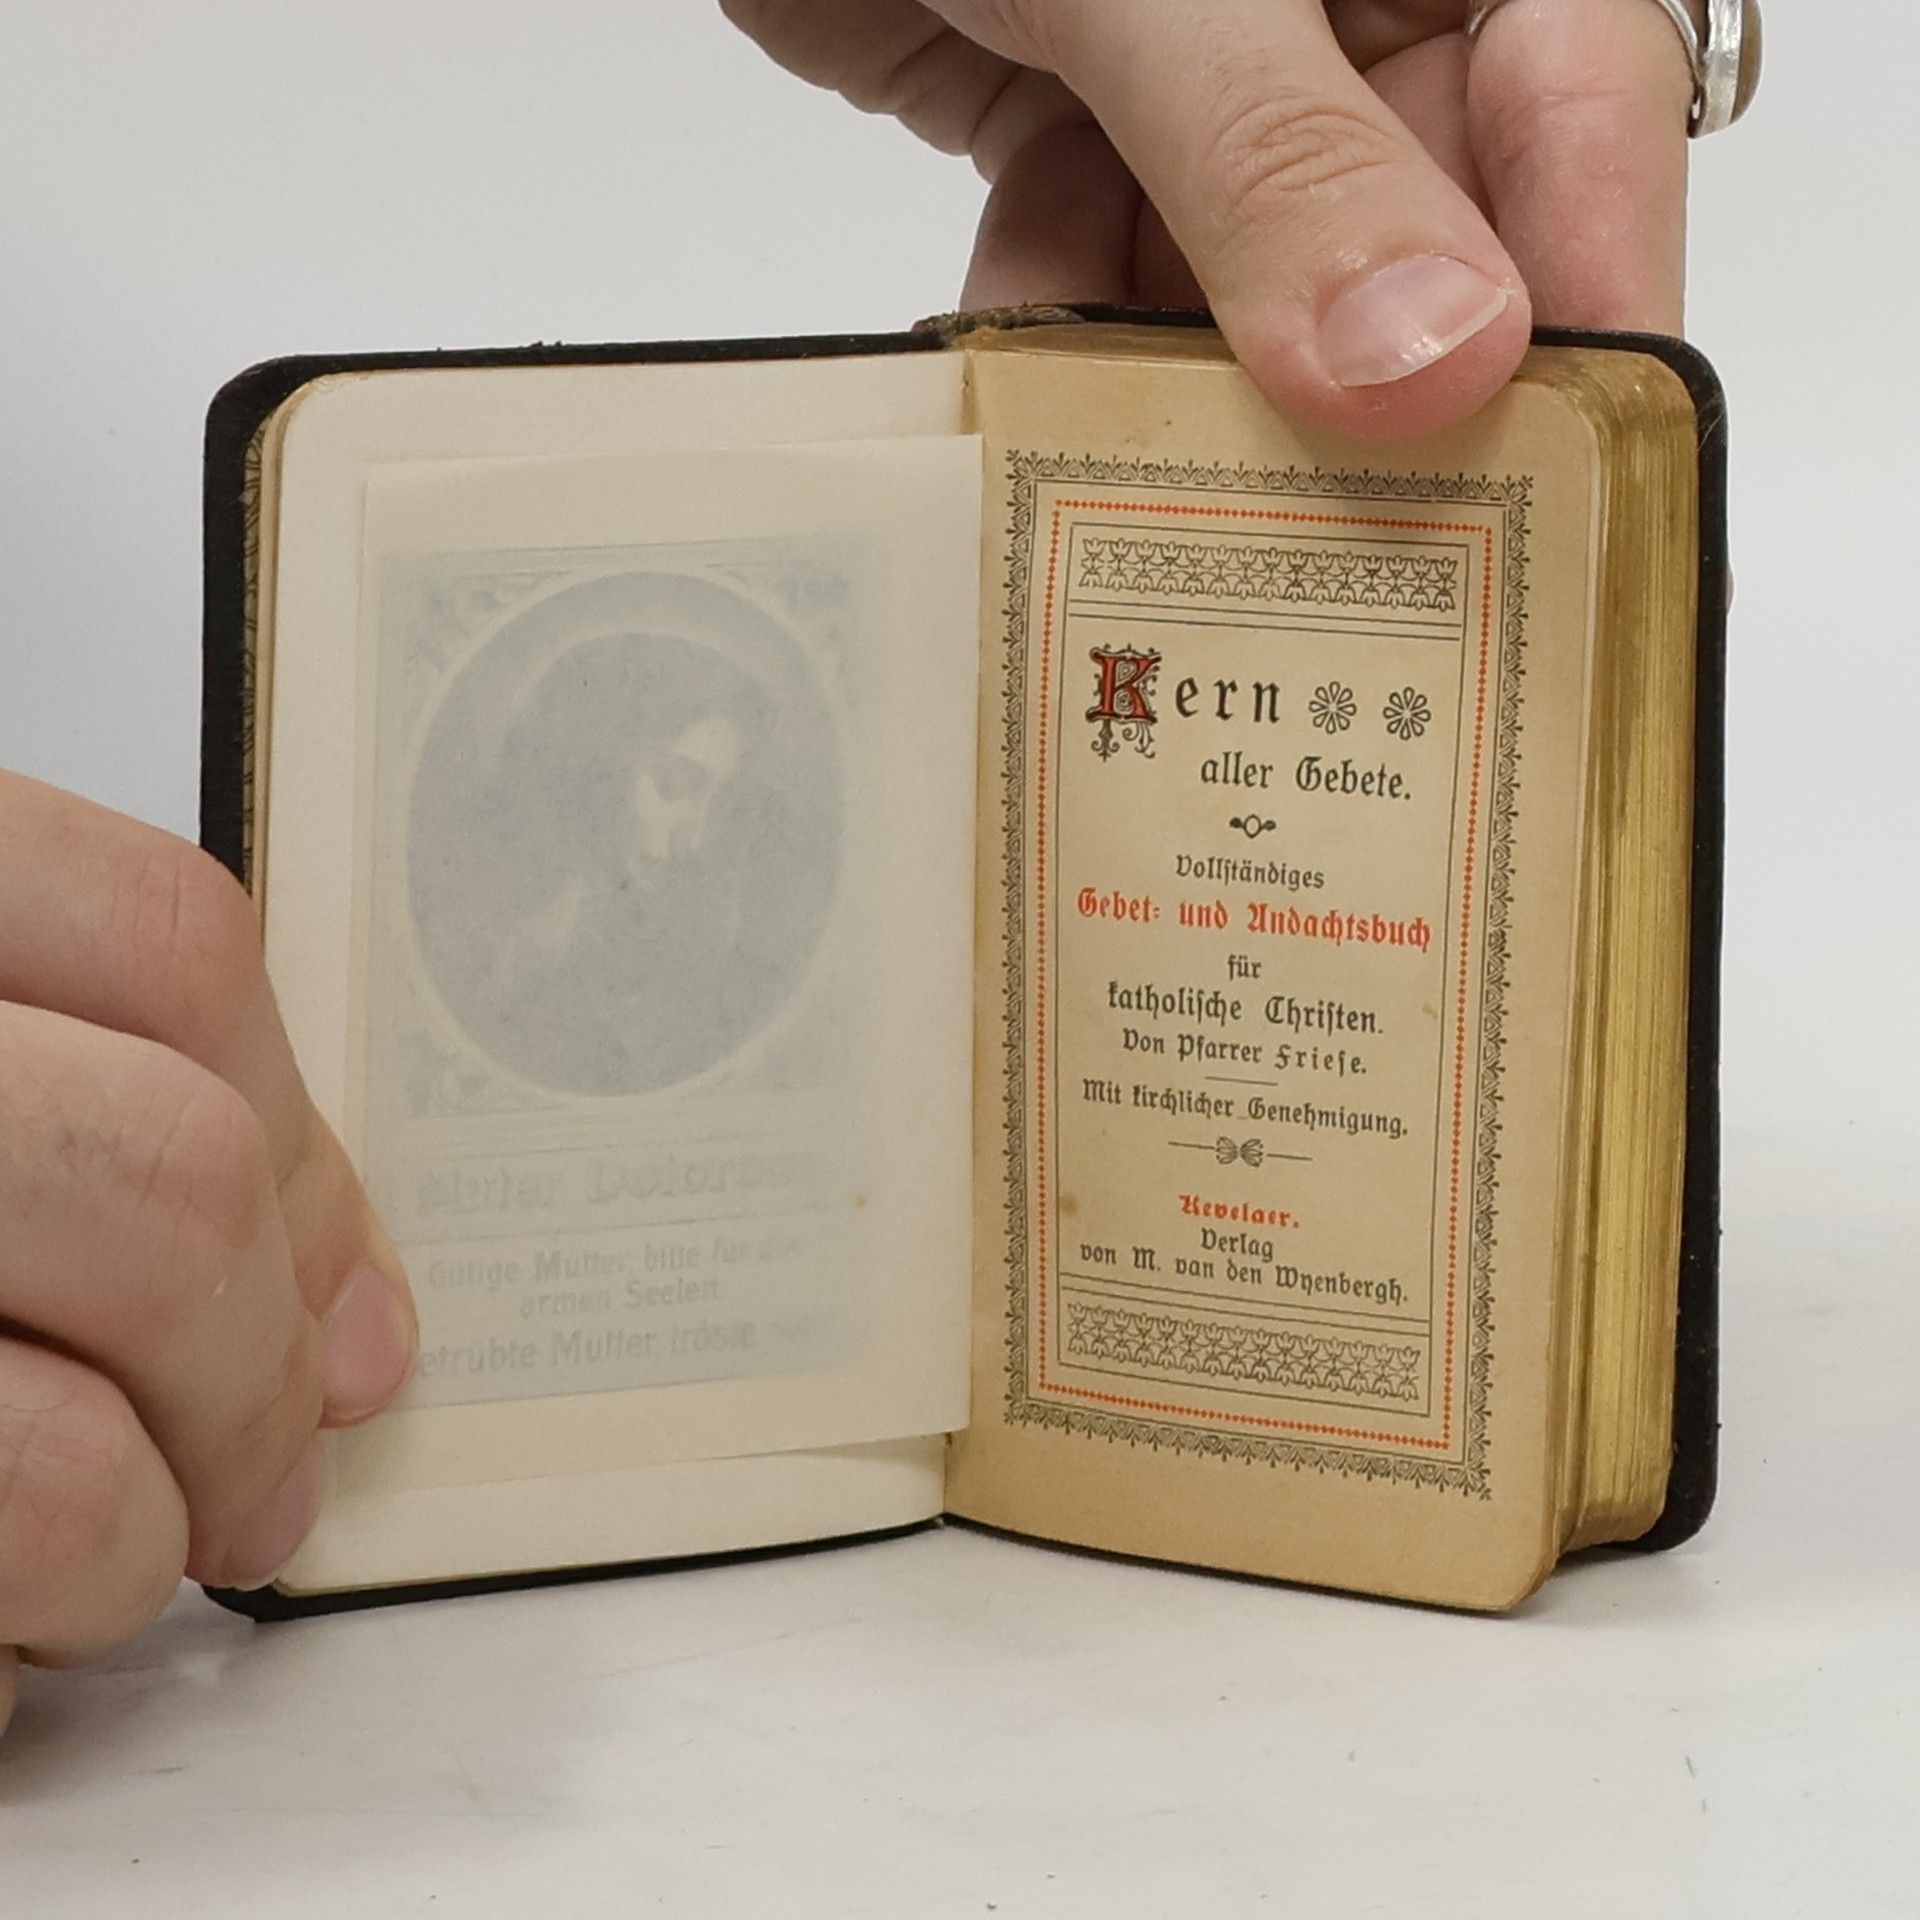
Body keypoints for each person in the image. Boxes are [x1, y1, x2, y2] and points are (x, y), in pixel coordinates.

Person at [0, 0, 1748, 1736]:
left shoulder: (704, 942)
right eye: (664, 785)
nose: (684, 834)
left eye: (717, 798)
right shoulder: (531, 944)